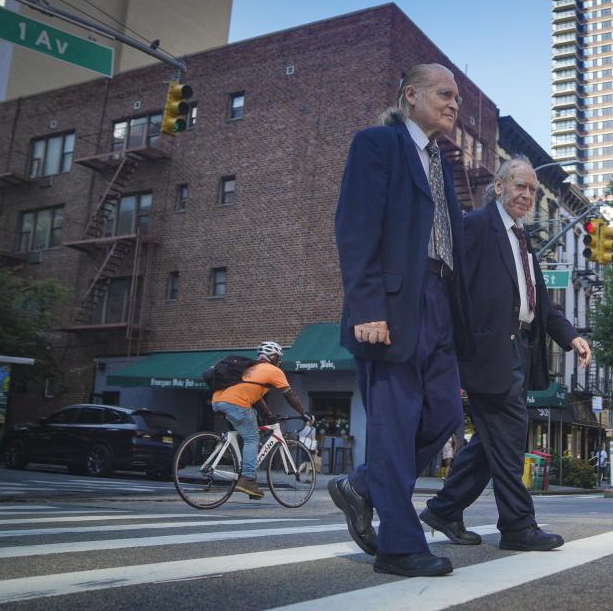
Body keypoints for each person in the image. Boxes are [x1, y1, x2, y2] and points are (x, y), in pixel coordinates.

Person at [332, 63, 473, 578]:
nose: (454, 102)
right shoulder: (377, 144)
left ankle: (364, 484)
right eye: (445, 92)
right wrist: (368, 307)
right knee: (393, 427)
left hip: (438, 303)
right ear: (410, 95)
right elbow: (355, 226)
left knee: (444, 418)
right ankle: (397, 544)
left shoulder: (440, 161)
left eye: (457, 95)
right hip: (392, 305)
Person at [419, 156, 592, 552]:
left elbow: (543, 307)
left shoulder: (524, 243)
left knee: (494, 440)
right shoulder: (478, 226)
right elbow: (450, 282)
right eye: (519, 186)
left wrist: (571, 338)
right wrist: (452, 339)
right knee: (511, 438)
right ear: (498, 187)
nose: (526, 195)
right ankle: (517, 526)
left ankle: (444, 510)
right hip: (486, 352)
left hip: (520, 351)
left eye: (531, 189)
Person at [211, 341, 312, 499]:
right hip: (235, 403)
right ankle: (247, 479)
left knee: (245, 432)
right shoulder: (273, 370)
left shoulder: (251, 368)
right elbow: (289, 394)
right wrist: (303, 412)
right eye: (279, 358)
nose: (279, 361)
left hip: (218, 401)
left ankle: (248, 481)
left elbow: (256, 399)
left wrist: (269, 415)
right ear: (273, 357)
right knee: (252, 438)